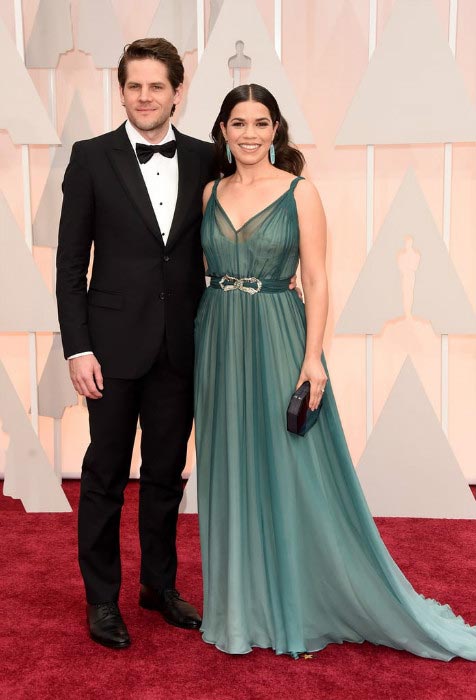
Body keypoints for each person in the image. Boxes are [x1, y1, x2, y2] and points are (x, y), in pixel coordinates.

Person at [194, 83, 476, 660]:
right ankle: (239, 606)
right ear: (222, 130)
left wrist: (313, 357)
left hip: (278, 334)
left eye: (261, 123)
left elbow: (317, 279)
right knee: (230, 461)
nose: (250, 134)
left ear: (277, 131)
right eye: (239, 123)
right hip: (219, 334)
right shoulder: (208, 193)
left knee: (289, 463)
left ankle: (297, 599)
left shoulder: (301, 193)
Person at [56, 38, 217, 649]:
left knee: (165, 474)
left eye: (157, 86)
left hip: (181, 346)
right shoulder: (91, 157)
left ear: (178, 92)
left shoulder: (207, 158)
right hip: (110, 348)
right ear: (121, 91)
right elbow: (72, 263)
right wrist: (78, 348)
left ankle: (158, 586)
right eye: (134, 86)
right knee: (102, 474)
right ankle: (102, 599)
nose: (145, 97)